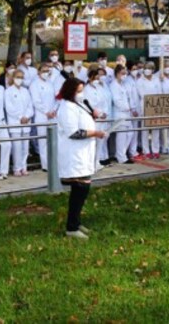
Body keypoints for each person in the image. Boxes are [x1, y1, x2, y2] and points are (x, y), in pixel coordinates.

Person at [57, 77, 106, 239]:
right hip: (74, 153)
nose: (81, 94)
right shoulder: (66, 107)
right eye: (78, 91)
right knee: (80, 188)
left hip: (83, 152)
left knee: (83, 188)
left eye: (82, 90)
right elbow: (74, 132)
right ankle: (71, 227)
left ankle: (76, 222)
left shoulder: (78, 104)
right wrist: (95, 133)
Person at [5, 69, 34, 176]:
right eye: (17, 77)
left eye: (21, 77)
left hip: (26, 123)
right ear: (13, 78)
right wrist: (20, 117)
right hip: (15, 122)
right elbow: (9, 108)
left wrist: (27, 116)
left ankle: (24, 166)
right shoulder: (8, 91)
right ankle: (17, 168)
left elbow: (30, 106)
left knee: (25, 147)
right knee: (16, 147)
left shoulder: (25, 91)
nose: (19, 79)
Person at [30, 62, 58, 171]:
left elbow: (56, 98)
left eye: (48, 71)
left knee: (53, 141)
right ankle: (45, 165)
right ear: (39, 72)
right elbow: (36, 101)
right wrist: (46, 112)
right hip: (41, 116)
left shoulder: (50, 83)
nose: (46, 73)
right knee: (43, 142)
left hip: (53, 116)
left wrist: (54, 110)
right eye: (44, 71)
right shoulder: (34, 84)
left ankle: (54, 162)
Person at [137, 61, 163, 159]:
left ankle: (155, 150)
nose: (147, 70)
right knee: (145, 130)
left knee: (156, 130)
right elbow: (141, 94)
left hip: (156, 107)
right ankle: (146, 150)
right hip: (145, 107)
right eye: (146, 68)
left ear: (153, 70)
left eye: (149, 68)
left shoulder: (156, 80)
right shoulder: (140, 81)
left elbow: (160, 92)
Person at [84, 69, 110, 166]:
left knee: (101, 140)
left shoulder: (100, 87)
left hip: (103, 118)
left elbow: (105, 101)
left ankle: (97, 161)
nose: (98, 79)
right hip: (94, 118)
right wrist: (98, 114)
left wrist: (105, 113)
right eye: (96, 77)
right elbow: (89, 105)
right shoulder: (87, 89)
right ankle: (91, 162)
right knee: (93, 141)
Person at [110, 65, 135, 164]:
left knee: (130, 133)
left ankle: (121, 154)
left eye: (125, 73)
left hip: (127, 113)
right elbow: (116, 100)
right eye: (122, 73)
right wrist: (126, 107)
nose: (124, 75)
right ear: (117, 73)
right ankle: (121, 157)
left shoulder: (122, 84)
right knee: (121, 136)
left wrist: (130, 108)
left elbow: (127, 97)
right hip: (119, 113)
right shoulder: (113, 85)